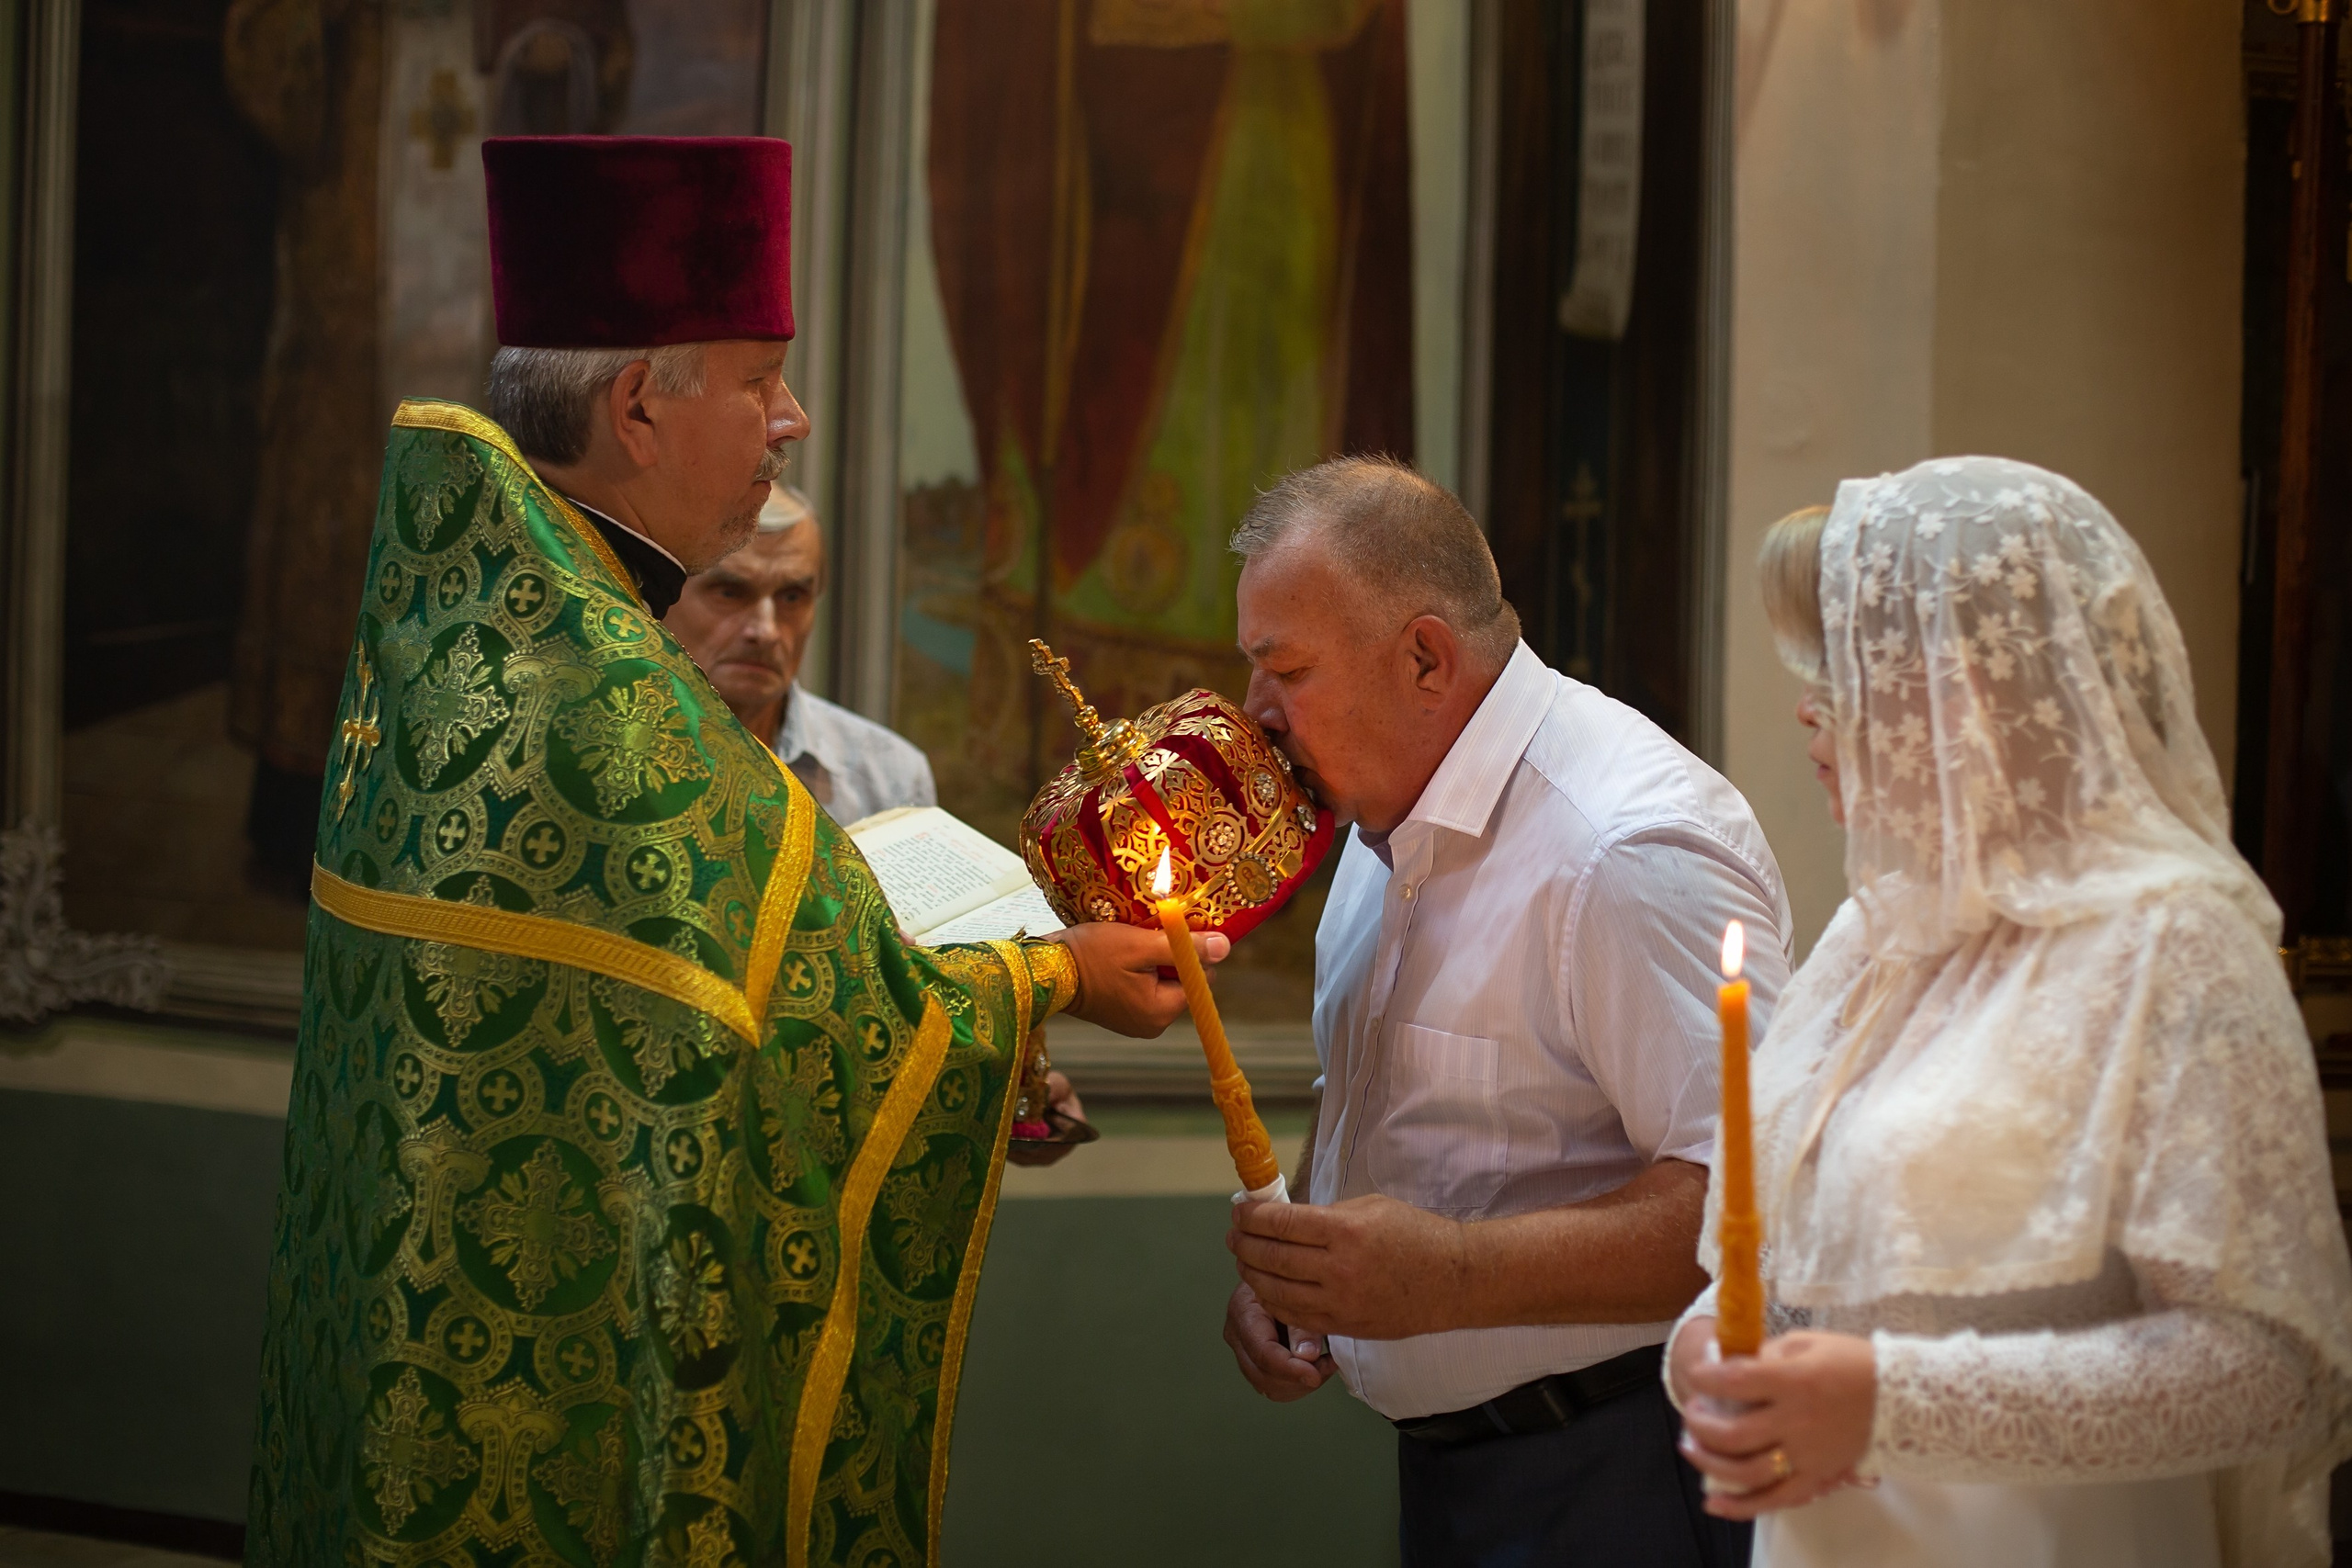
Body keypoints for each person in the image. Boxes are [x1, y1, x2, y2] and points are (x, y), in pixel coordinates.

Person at [243, 134, 1224, 1567]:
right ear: (639, 404)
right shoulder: (612, 709)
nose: (793, 417)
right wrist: (1056, 976)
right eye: (762, 377)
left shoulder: (457, 628)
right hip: (564, 1417)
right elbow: (827, 1021)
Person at [1668, 457, 2352, 1567]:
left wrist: (1890, 1403)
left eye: (1846, 665)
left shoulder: (2174, 943)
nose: (1807, 705)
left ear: (1980, 686)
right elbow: (1778, 1264)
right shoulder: (1873, 937)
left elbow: (2275, 1365)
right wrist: (1706, 1348)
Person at [1221, 457, 1786, 1566]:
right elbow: (1398, 1116)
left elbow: (1762, 1208)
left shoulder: (1620, 847)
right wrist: (1305, 1283)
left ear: (1424, 658)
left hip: (1629, 1466)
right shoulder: (1382, 819)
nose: (1254, 711)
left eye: (1284, 669)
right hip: (1457, 1475)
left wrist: (1449, 1275)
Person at [664, 484, 936, 824]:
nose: (766, 631)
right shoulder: (617, 747)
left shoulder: (889, 777)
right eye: (730, 593)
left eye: (792, 597)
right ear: (664, 597)